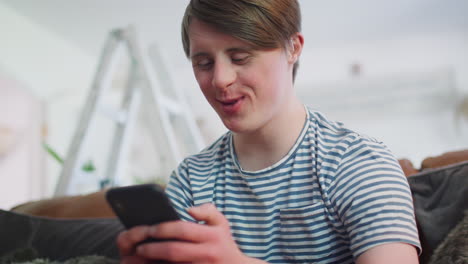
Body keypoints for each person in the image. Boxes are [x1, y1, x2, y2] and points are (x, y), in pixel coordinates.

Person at [116, 0, 421, 263]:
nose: (220, 80)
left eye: (240, 57)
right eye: (204, 62)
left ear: (293, 48)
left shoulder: (359, 163)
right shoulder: (191, 181)